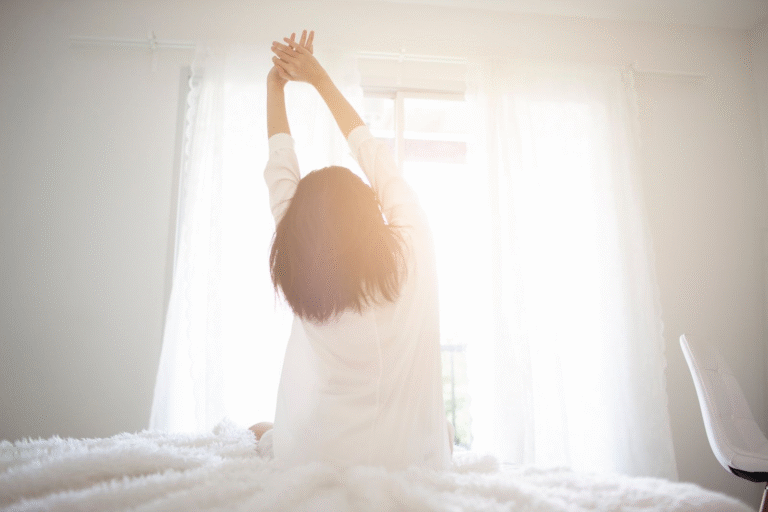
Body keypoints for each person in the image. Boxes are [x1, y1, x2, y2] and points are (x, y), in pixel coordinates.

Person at [251, 30, 452, 470]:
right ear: (371, 212)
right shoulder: (412, 249)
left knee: (258, 431)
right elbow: (373, 154)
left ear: (300, 230)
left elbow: (280, 171)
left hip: (321, 458)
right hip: (411, 461)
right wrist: (319, 79)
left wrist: (275, 88)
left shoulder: (303, 265)